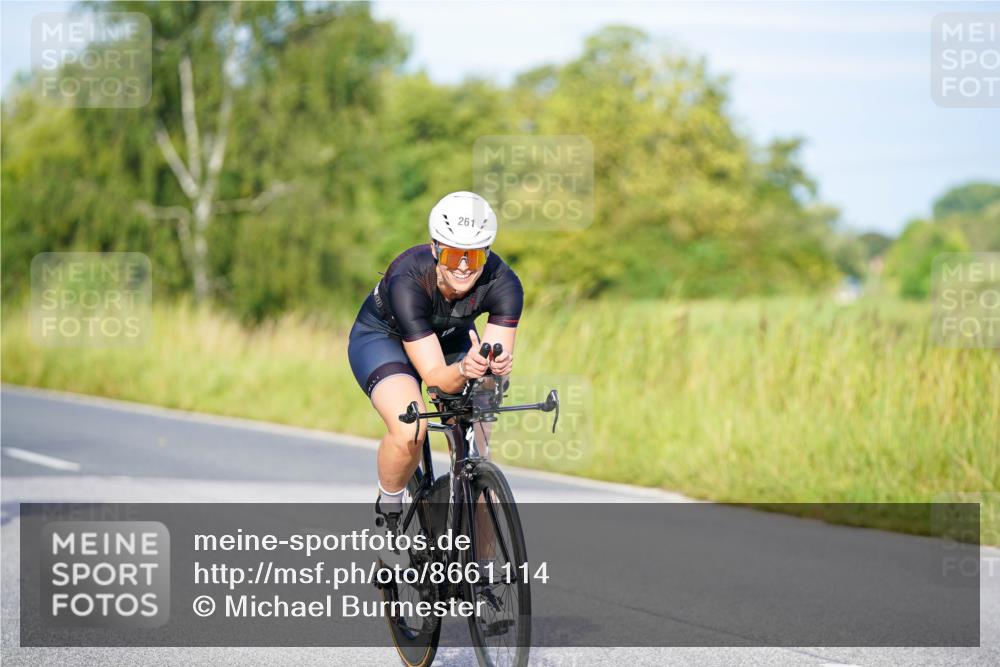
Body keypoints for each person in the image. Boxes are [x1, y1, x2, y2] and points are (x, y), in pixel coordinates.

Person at [347, 191, 523, 551]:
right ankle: (389, 514)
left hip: (450, 337)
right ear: (434, 249)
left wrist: (496, 366)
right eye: (452, 254)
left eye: (472, 255)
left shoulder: (505, 283)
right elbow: (436, 377)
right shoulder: (407, 279)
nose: (462, 266)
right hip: (385, 338)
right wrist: (463, 368)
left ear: (486, 254)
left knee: (477, 449)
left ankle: (481, 570)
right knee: (411, 428)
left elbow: (495, 352)